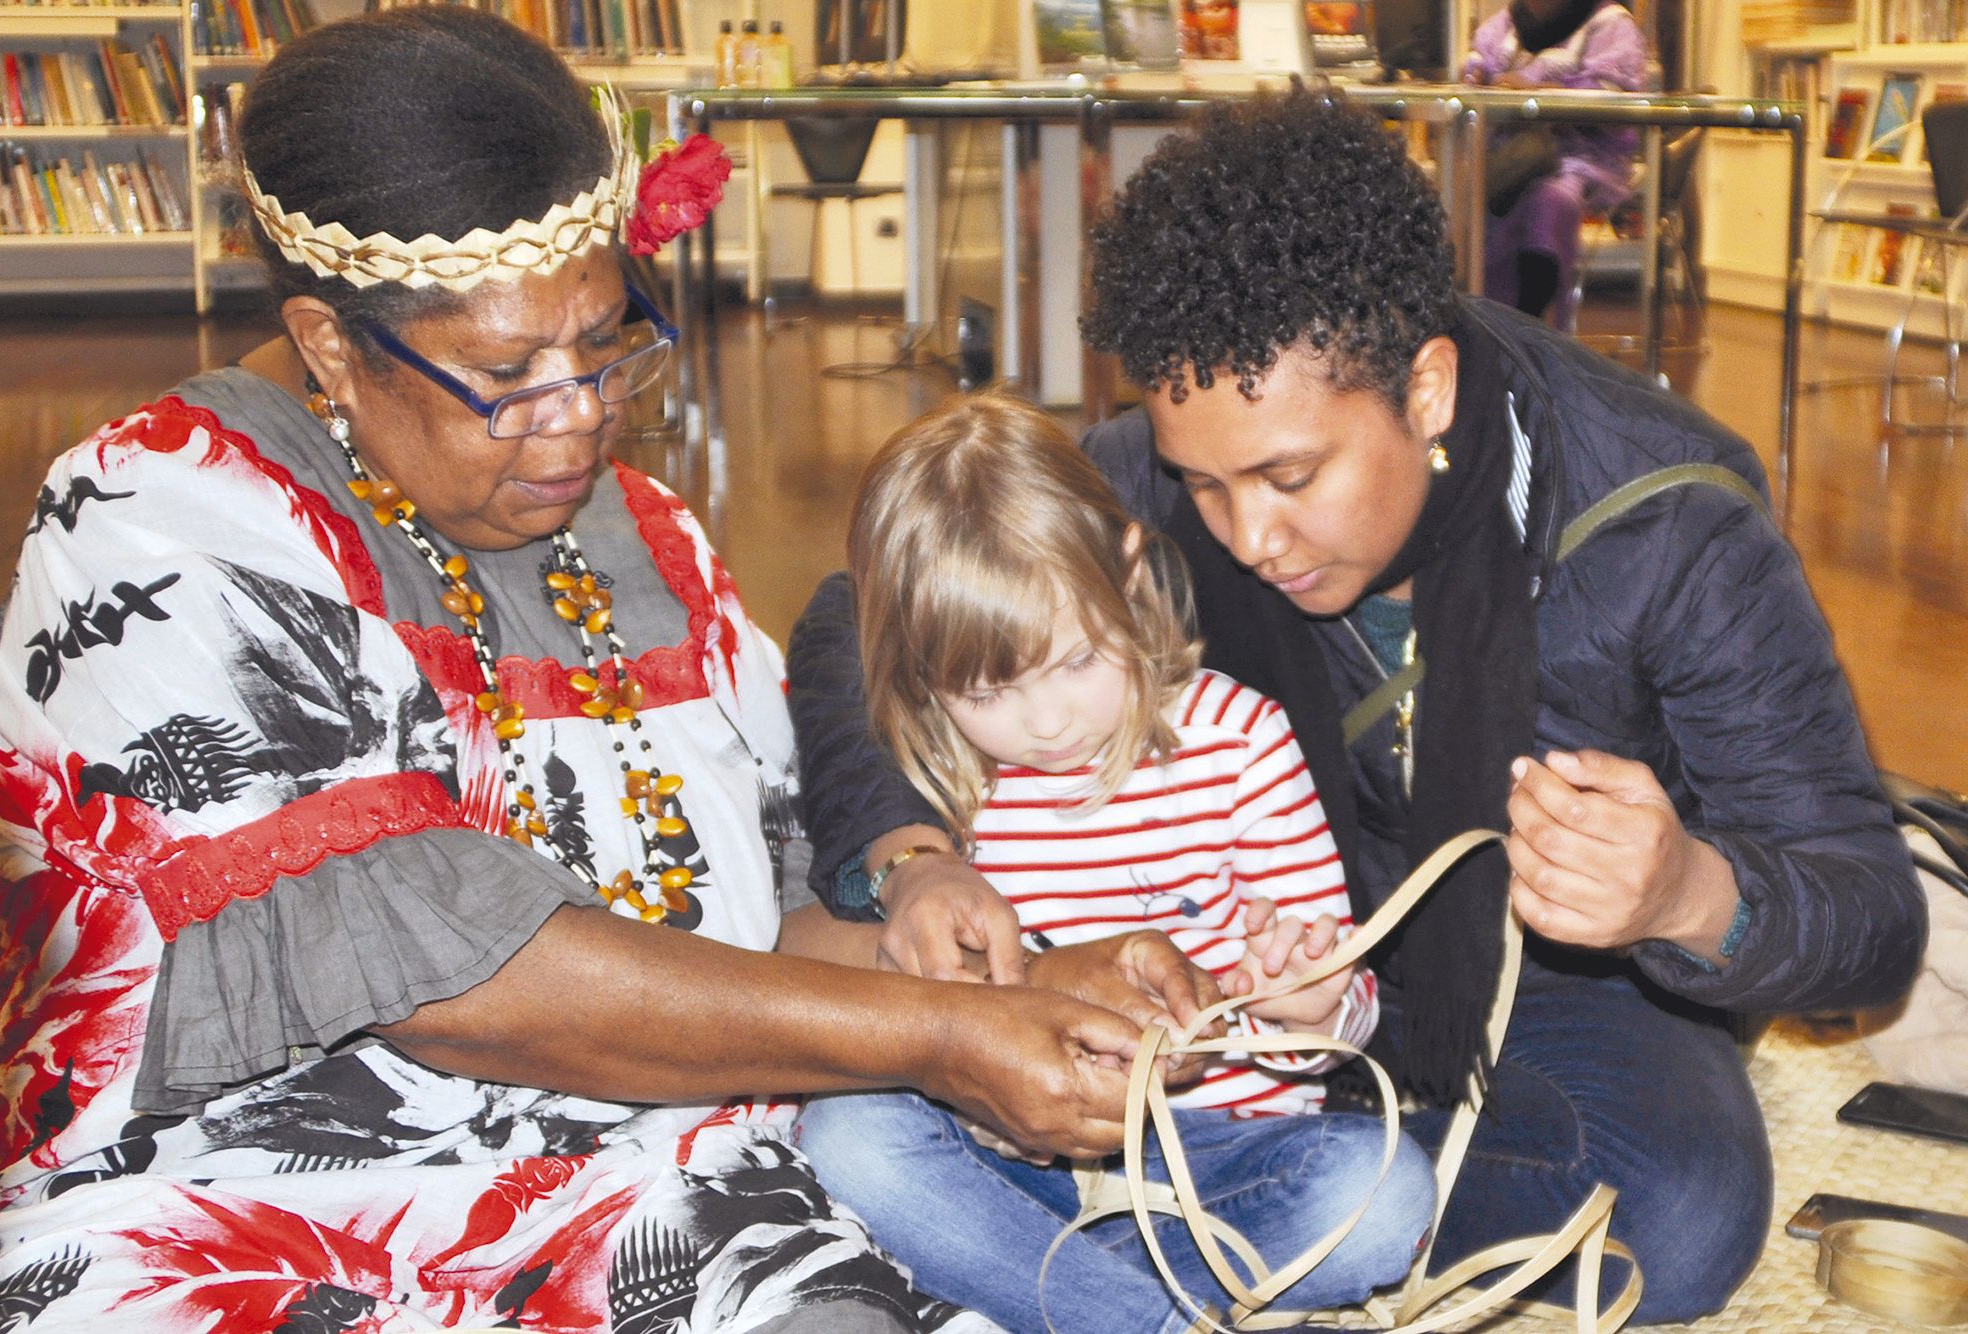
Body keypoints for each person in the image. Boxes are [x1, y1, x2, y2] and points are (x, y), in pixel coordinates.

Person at [0, 11, 1222, 1330]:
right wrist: (939, 1041)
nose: (579, 418)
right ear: (331, 344)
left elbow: (751, 923)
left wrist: (1015, 986)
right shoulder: (155, 517)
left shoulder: (649, 542)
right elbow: (456, 978)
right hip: (228, 1208)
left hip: (651, 1185)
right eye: (508, 371)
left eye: (607, 343)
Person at [786, 92, 1928, 1325]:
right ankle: (1174, 1210)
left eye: (1289, 477)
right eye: (1200, 486)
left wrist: (1684, 893)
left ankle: (1110, 1206)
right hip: (1220, 931)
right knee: (870, 1111)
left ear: (1425, 390)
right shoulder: (1195, 437)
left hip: (1533, 969)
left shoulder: (1669, 527)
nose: (1246, 536)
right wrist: (908, 858)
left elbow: (1869, 915)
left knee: (1678, 1212)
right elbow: (861, 615)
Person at [788, 395, 1435, 1334]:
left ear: (1126, 571)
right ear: (917, 664)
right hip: (1014, 1158)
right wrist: (963, 1088)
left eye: (1079, 660)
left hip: (1215, 1150)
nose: (1047, 722)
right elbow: (893, 1001)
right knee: (849, 1137)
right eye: (988, 689)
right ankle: (1143, 1316)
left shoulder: (1241, 743)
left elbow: (1343, 1001)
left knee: (1379, 1197)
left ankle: (1038, 1290)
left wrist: (1316, 1001)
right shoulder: (934, 782)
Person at [1461, 0, 1651, 325]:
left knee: (1550, 201)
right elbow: (1472, 72)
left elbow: (1615, 100)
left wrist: (1536, 90)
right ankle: (1482, 328)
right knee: (1463, 197)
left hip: (1578, 159)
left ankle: (1532, 328)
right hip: (1505, 158)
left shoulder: (1610, 24)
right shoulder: (1503, 24)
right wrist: (1478, 78)